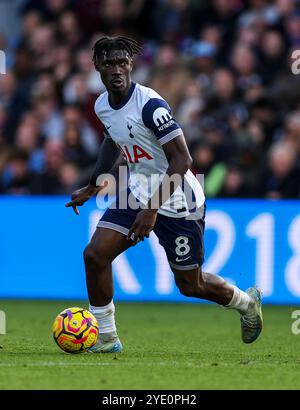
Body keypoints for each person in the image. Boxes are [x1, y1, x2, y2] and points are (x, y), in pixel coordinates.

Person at [65, 36, 263, 353]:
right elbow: (112, 140)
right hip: (138, 193)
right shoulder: (102, 105)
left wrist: (152, 210)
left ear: (131, 64)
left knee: (190, 284)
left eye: (122, 62)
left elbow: (183, 160)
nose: (116, 68)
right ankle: (106, 337)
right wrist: (92, 184)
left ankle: (245, 302)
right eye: (109, 63)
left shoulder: (150, 105)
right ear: (98, 67)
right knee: (95, 255)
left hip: (179, 200)